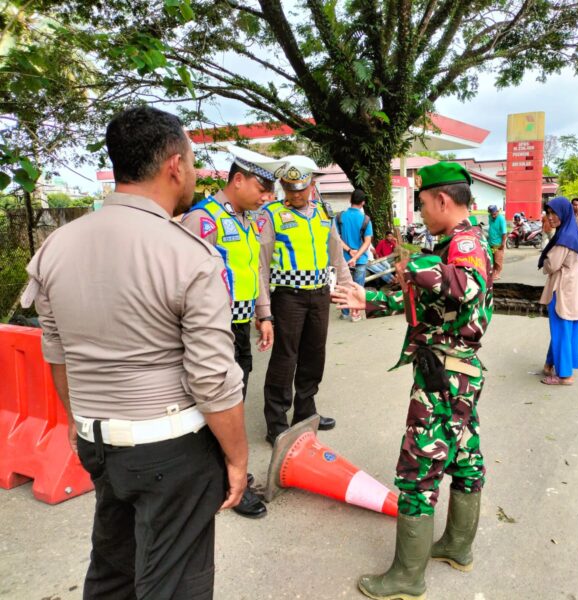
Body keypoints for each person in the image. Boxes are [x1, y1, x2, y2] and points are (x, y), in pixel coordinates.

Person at [21, 106, 249, 598]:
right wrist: (237, 456)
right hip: (170, 450)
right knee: (171, 583)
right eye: (191, 161)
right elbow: (212, 378)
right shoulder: (188, 254)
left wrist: (80, 424)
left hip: (98, 441)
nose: (191, 172)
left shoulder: (56, 247)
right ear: (173, 165)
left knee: (112, 572)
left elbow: (58, 355)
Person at [332, 162, 493, 600]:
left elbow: (467, 286)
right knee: (464, 456)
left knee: (418, 471)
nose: (420, 211)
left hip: (444, 375)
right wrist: (372, 298)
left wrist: (409, 263)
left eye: (422, 203)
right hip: (457, 372)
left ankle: (407, 577)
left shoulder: (462, 241)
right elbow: (430, 301)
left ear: (443, 200)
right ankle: (457, 547)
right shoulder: (453, 243)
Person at [182, 145, 280, 519]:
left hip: (239, 326)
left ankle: (224, 474)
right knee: (218, 399)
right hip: (210, 329)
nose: (266, 196)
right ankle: (224, 482)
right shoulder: (203, 220)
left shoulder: (246, 219)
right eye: (261, 187)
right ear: (237, 180)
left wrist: (264, 315)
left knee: (234, 397)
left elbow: (255, 271)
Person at [256, 156, 353, 445]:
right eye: (290, 188)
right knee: (285, 358)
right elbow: (260, 264)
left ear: (312, 185)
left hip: (320, 294)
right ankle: (276, 423)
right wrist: (263, 311)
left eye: (301, 188)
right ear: (282, 186)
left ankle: (306, 413)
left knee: (314, 354)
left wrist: (347, 289)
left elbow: (336, 253)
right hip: (288, 296)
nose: (296, 194)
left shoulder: (324, 212)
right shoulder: (270, 214)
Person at [538, 196, 578, 385]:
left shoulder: (563, 238)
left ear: (564, 213)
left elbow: (551, 264)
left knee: (560, 329)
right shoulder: (571, 232)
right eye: (548, 213)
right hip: (572, 289)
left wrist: (545, 260)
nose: (550, 217)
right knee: (565, 330)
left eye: (554, 213)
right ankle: (550, 364)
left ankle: (565, 375)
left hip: (562, 290)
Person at [337, 189, 374, 321]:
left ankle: (345, 311)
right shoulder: (366, 219)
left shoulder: (340, 217)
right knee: (358, 286)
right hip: (360, 260)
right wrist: (356, 256)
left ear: (350, 200)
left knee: (345, 285)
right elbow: (367, 241)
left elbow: (336, 238)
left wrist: (348, 251)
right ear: (363, 202)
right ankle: (355, 314)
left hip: (343, 259)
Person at [487, 204, 507, 279]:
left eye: (494, 214)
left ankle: (497, 274)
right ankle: (493, 272)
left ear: (497, 211)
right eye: (491, 214)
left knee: (498, 260)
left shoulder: (501, 219)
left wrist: (503, 243)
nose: (493, 216)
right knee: (491, 259)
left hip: (498, 244)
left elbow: (504, 233)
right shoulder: (490, 217)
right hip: (491, 243)